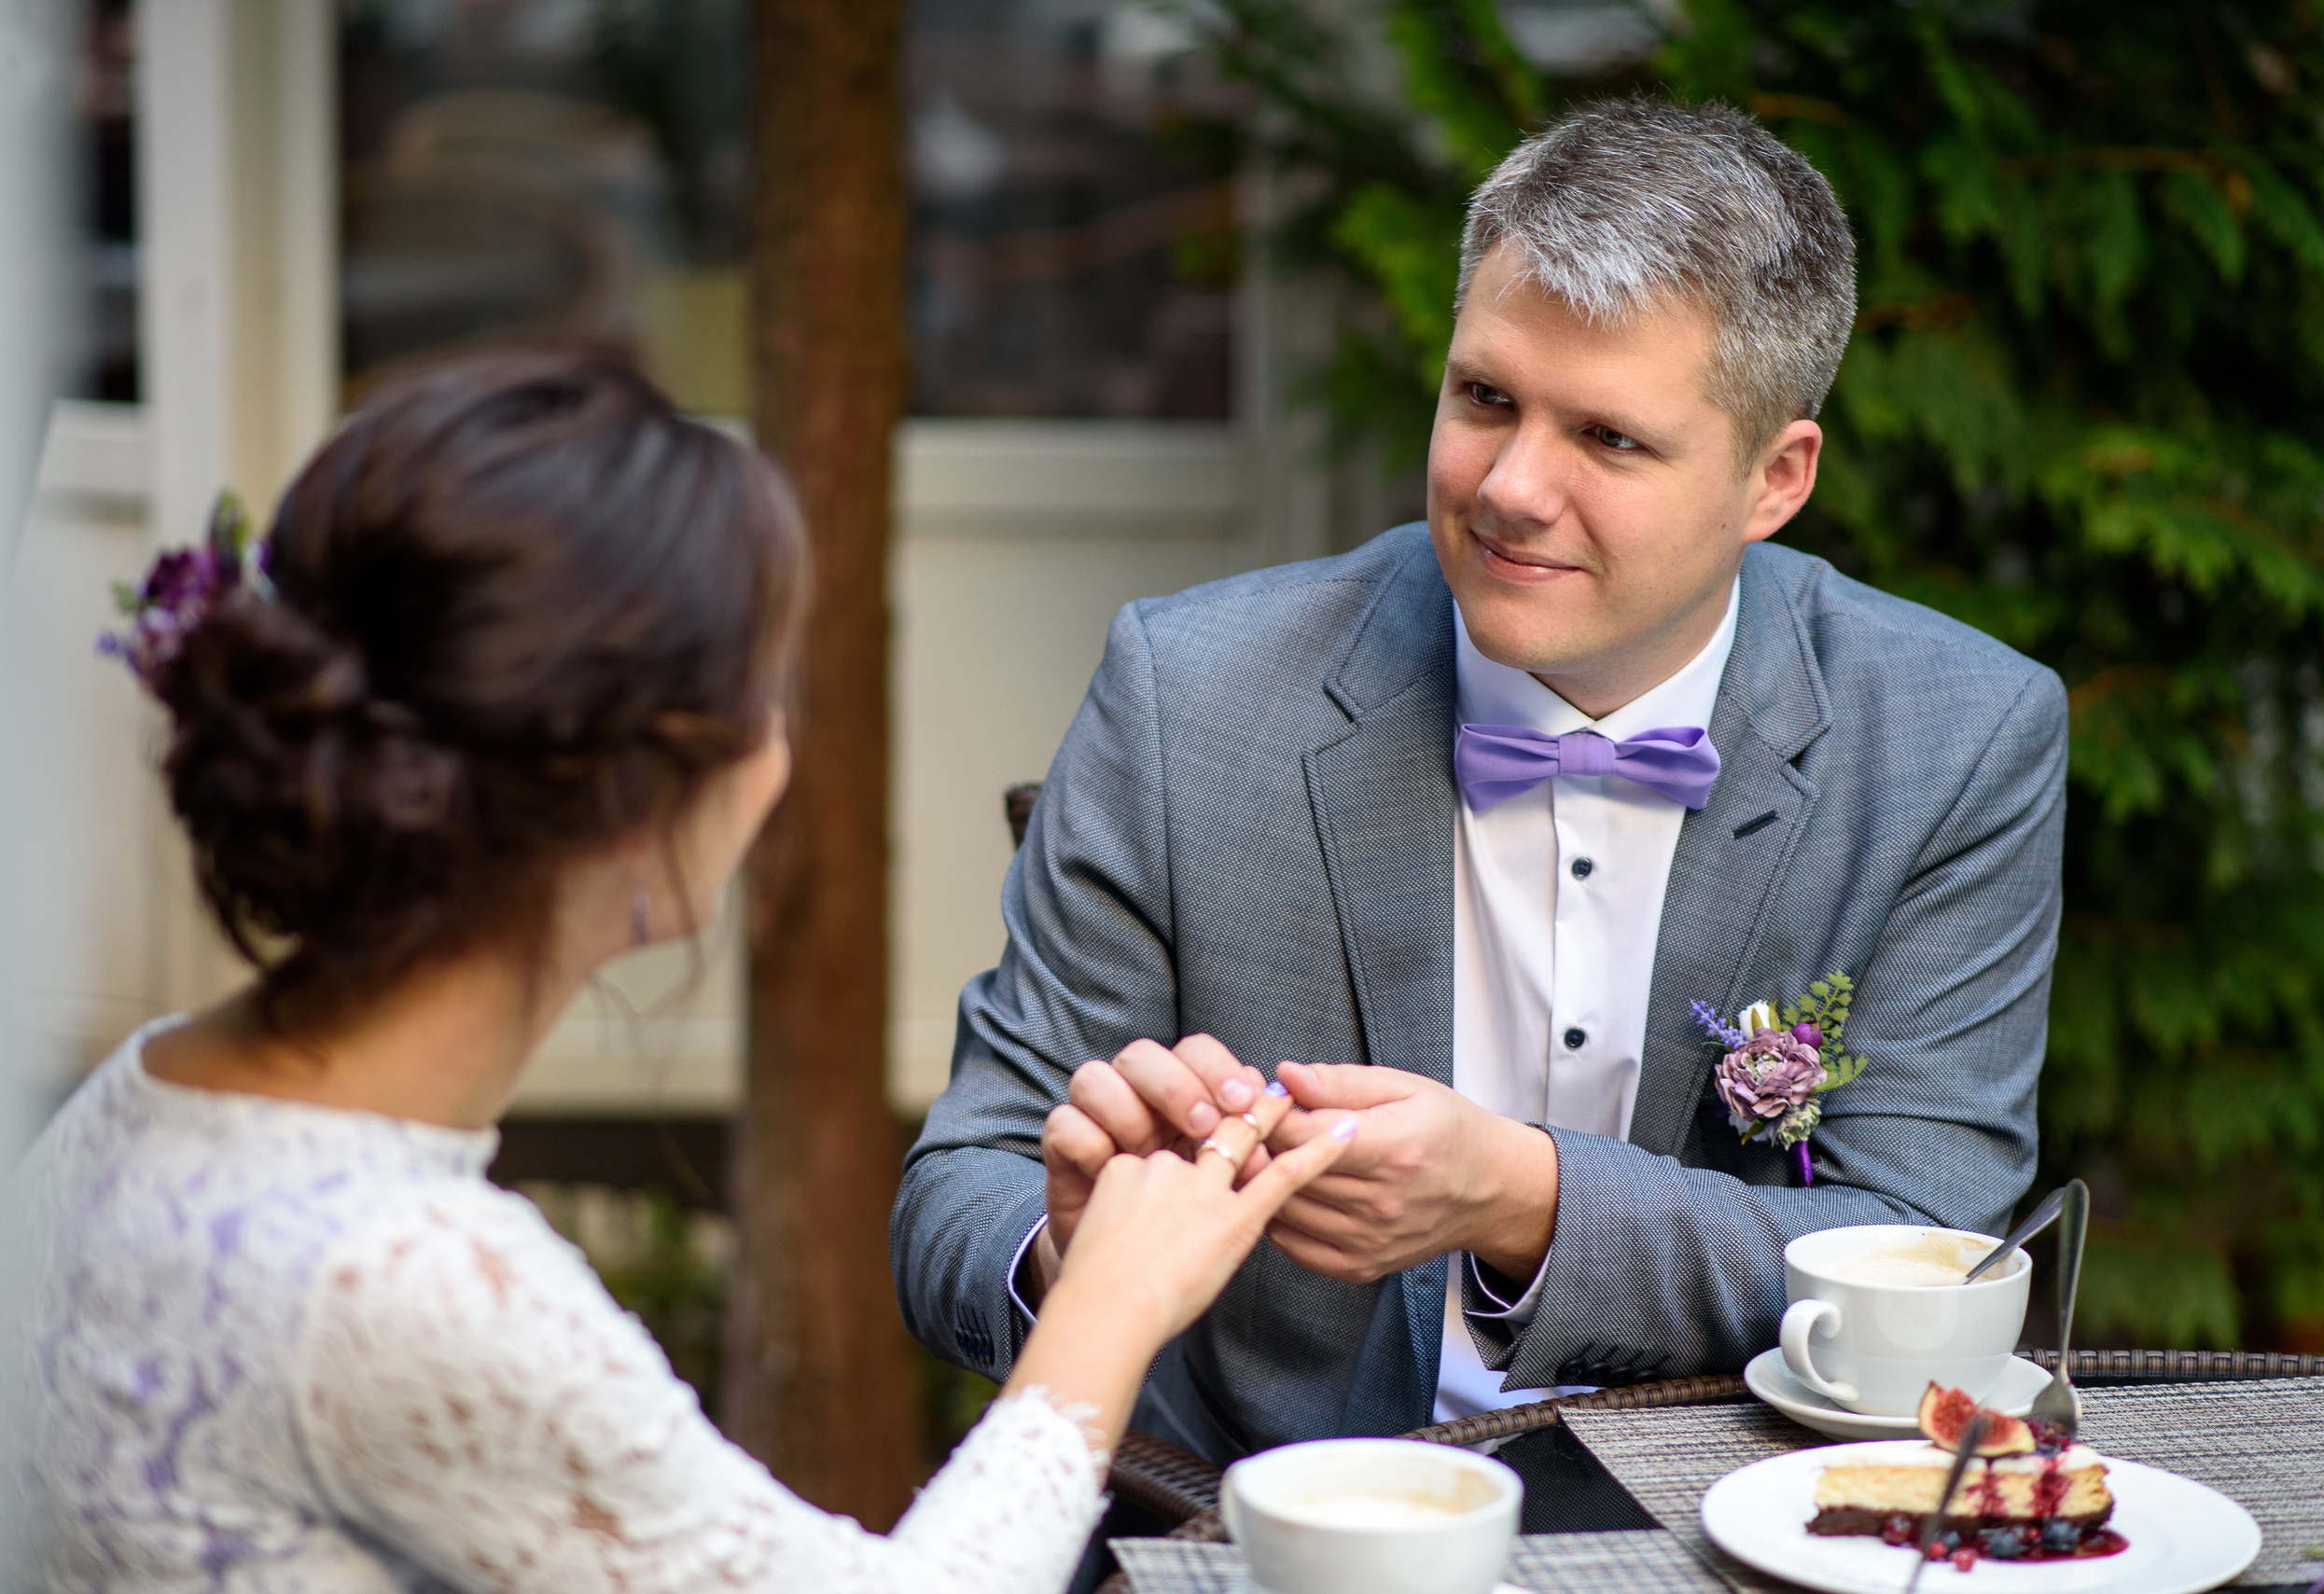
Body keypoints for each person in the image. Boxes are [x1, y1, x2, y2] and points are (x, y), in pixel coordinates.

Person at [4, 349, 1355, 1593]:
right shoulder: (409, 1285)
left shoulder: (141, 1093)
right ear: (646, 791)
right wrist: (1113, 1302)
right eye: (767, 688)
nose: (780, 744)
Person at [893, 97, 2067, 1463]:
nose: (1512, 486)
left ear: (1774, 478)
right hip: (1253, 1517)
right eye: (1486, 399)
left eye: (1608, 440)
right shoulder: (1188, 690)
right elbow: (955, 1195)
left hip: (1731, 1522)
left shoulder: (1956, 737)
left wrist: (1526, 1200)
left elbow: (1932, 1246)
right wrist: (1068, 1250)